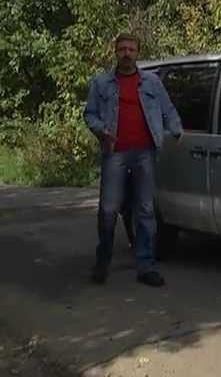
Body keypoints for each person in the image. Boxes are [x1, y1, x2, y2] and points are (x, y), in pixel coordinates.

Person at [84, 32, 183, 287]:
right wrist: (101, 130)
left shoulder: (151, 82)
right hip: (114, 152)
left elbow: (168, 109)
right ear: (115, 52)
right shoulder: (100, 82)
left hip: (144, 153)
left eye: (131, 49)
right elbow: (90, 114)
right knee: (108, 210)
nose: (127, 53)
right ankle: (102, 262)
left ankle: (146, 266)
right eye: (122, 49)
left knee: (146, 210)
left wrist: (176, 129)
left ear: (138, 53)